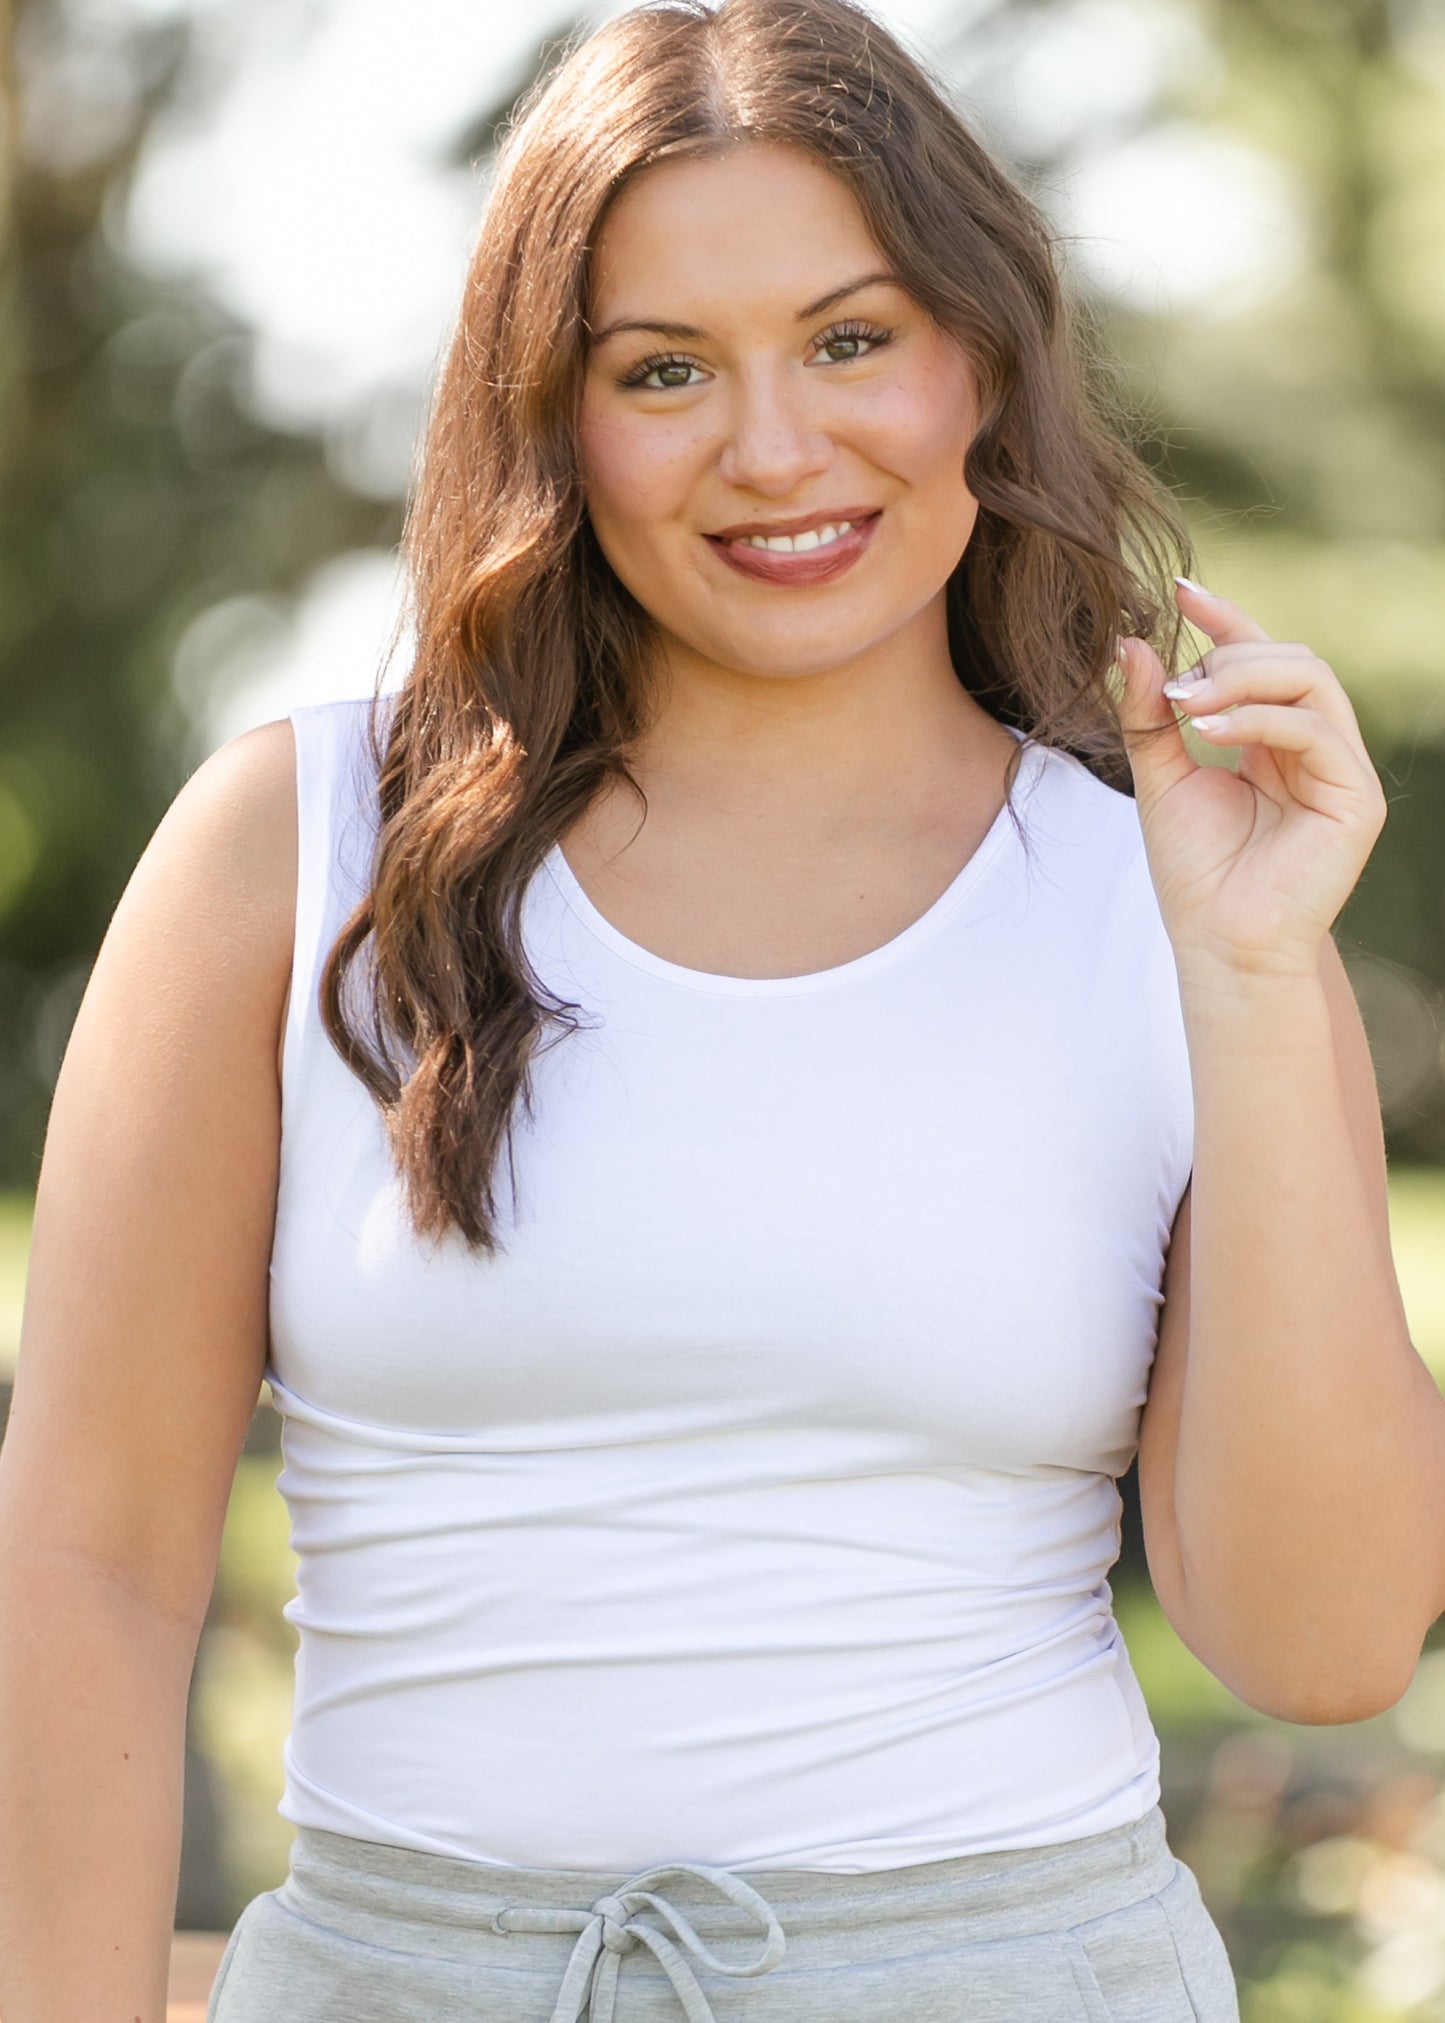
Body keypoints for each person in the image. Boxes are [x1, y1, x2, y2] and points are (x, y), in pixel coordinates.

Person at [2, 0, 1442, 2016]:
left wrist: (1266, 976)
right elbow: (86, 1560)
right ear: (550, 418)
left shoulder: (1174, 903)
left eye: (853, 339)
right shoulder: (297, 849)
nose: (776, 450)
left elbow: (1330, 1641)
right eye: (662, 369)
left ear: (982, 365)